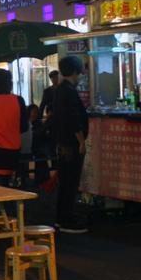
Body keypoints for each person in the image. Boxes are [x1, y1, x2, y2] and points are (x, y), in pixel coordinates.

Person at [53, 56, 90, 233]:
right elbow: (74, 118)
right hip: (71, 144)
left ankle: (60, 218)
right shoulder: (69, 90)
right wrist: (81, 141)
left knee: (65, 182)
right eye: (80, 73)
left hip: (63, 143)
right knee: (70, 183)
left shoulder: (60, 89)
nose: (81, 76)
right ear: (75, 72)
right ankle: (67, 221)